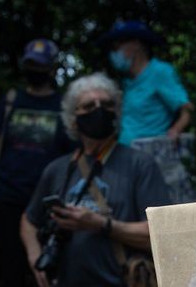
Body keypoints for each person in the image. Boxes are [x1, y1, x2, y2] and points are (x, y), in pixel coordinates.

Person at [20, 72, 171, 287]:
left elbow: (161, 233)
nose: (99, 110)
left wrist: (101, 224)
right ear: (73, 120)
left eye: (107, 104)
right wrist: (35, 258)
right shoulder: (57, 169)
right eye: (89, 106)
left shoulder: (140, 164)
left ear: (116, 113)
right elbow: (28, 220)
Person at [0, 38, 76, 287]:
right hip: (7, 195)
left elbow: (73, 154)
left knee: (47, 266)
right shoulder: (11, 100)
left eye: (40, 66)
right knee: (11, 264)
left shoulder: (62, 107)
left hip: (45, 200)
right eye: (31, 64)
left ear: (51, 69)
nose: (35, 71)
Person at [98, 20, 196, 203]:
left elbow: (186, 109)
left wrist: (175, 131)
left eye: (118, 46)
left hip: (152, 160)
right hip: (125, 159)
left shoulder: (159, 72)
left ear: (136, 44)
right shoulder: (126, 82)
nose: (114, 52)